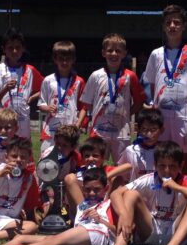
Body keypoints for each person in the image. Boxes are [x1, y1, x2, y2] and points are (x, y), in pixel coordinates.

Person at [0, 167, 118, 245]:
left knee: (54, 241)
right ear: (83, 188)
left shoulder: (109, 203)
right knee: (21, 238)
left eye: (97, 190)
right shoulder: (83, 205)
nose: (92, 193)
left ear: (105, 189)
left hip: (99, 233)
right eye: (88, 189)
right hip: (81, 240)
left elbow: (120, 232)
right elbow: (71, 179)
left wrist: (101, 219)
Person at [108, 141, 187, 245]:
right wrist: (123, 214)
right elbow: (115, 193)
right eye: (162, 166)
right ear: (155, 165)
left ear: (181, 166)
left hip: (177, 234)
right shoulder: (148, 179)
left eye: (172, 166)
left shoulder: (185, 181)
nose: (167, 171)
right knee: (130, 194)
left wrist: (178, 188)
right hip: (150, 230)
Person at [143, 5, 187, 176]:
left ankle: (185, 197)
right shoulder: (156, 54)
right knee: (161, 154)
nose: (172, 26)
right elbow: (152, 84)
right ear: (163, 26)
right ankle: (161, 194)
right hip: (161, 114)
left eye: (177, 22)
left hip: (184, 114)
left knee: (183, 156)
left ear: (184, 25)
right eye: (168, 22)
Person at [79, 33, 146, 162]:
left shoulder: (130, 76)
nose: (114, 54)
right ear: (103, 53)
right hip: (99, 131)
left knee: (122, 169)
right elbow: (87, 102)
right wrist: (97, 112)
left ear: (124, 53)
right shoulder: (96, 76)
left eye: (118, 51)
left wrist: (127, 113)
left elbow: (139, 101)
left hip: (121, 132)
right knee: (94, 165)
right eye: (110, 50)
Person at [0, 28, 43, 140]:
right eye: (10, 48)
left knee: (21, 155)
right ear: (4, 49)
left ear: (23, 48)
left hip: (22, 123)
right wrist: (5, 89)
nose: (14, 51)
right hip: (3, 124)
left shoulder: (30, 70)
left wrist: (32, 97)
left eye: (18, 47)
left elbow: (46, 87)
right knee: (0, 154)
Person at [63, 135, 130, 220]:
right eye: (87, 156)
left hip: (102, 210)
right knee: (70, 178)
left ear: (103, 158)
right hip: (83, 211)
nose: (90, 159)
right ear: (83, 159)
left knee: (118, 179)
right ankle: (86, 213)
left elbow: (128, 166)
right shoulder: (80, 172)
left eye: (95, 155)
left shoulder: (106, 170)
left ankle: (107, 214)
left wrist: (106, 176)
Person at [38, 41, 86, 152]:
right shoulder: (48, 80)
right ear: (55, 59)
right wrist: (48, 108)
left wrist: (78, 124)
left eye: (68, 59)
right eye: (61, 58)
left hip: (71, 130)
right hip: (51, 130)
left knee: (71, 163)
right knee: (47, 164)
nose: (64, 62)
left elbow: (84, 106)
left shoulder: (79, 81)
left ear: (73, 59)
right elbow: (41, 104)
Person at [118, 107, 163, 181]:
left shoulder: (165, 151)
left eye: (153, 130)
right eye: (144, 129)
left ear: (161, 130)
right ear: (138, 129)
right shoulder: (130, 150)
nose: (149, 134)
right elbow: (122, 176)